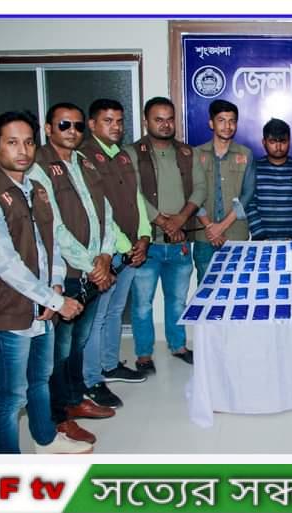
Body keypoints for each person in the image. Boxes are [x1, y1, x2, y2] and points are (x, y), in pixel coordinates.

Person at [0, 111, 91, 454]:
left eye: (29, 142)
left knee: (39, 381)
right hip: (6, 312)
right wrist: (54, 300)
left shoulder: (36, 189)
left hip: (42, 306)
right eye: (12, 142)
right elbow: (6, 263)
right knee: (10, 396)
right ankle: (8, 466)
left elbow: (51, 245)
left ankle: (45, 440)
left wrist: (56, 286)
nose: (23, 150)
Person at [30, 102, 120, 445]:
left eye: (79, 126)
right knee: (60, 349)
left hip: (93, 269)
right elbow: (54, 227)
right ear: (48, 128)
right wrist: (92, 265)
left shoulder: (85, 162)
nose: (73, 131)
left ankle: (75, 398)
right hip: (65, 274)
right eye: (64, 125)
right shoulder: (38, 168)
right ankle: (58, 417)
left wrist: (106, 256)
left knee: (79, 342)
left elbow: (106, 213)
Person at [78, 99, 151, 408]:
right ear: (92, 124)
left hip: (131, 250)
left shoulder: (122, 156)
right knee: (96, 318)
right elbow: (100, 211)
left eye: (119, 121)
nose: (116, 127)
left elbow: (137, 198)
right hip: (107, 253)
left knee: (115, 311)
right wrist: (125, 245)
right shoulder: (84, 157)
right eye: (108, 121)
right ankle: (91, 379)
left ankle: (110, 365)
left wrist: (144, 237)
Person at [125, 97, 205, 372]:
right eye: (158, 119)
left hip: (179, 243)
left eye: (169, 119)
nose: (165, 124)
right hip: (147, 246)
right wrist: (160, 220)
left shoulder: (187, 152)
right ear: (146, 121)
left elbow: (200, 188)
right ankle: (144, 354)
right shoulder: (132, 153)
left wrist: (180, 219)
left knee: (178, 301)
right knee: (142, 304)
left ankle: (178, 345)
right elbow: (132, 192)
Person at [192, 99, 255, 283]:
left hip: (236, 235)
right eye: (221, 120)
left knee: (237, 289)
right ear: (211, 123)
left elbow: (248, 194)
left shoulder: (246, 154)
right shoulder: (196, 154)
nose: (227, 126)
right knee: (206, 290)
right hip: (205, 236)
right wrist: (210, 227)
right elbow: (192, 193)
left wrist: (221, 227)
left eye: (232, 121)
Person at [246, 118, 292, 241]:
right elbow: (250, 204)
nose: (278, 147)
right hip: (261, 241)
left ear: (289, 141)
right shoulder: (254, 169)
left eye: (283, 141)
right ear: (264, 142)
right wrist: (260, 236)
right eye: (272, 142)